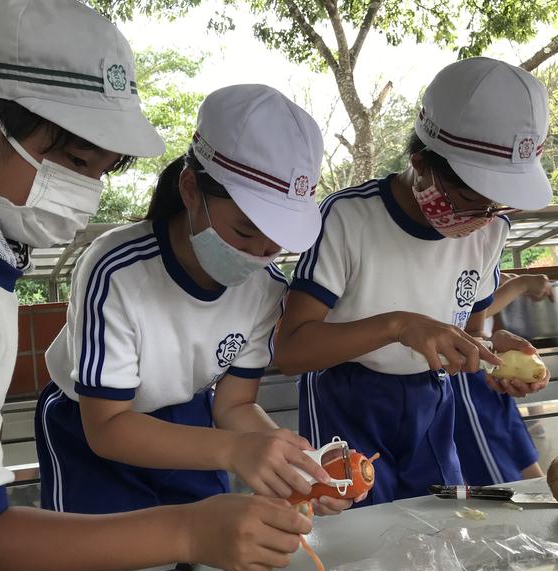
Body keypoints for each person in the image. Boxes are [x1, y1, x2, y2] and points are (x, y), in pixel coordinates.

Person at [0, 1, 312, 571]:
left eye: (101, 172)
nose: (86, 195)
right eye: (75, 163)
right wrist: (189, 528)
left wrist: (275, 457)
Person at [35, 84, 358, 521]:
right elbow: (108, 427)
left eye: (277, 241)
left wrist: (295, 466)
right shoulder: (116, 269)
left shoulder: (264, 288)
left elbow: (234, 405)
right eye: (245, 231)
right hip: (93, 425)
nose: (260, 253)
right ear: (191, 188)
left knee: (203, 555)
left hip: (189, 419)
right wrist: (236, 449)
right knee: (108, 567)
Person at [274, 57, 553, 507]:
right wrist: (398, 325)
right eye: (470, 199)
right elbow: (290, 352)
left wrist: (493, 359)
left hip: (431, 402)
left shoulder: (489, 230)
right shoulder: (348, 218)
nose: (482, 219)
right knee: (360, 540)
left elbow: (471, 334)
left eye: (499, 206)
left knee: (440, 525)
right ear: (420, 163)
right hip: (347, 398)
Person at [451, 272, 554, 485]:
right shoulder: (456, 242)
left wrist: (504, 281)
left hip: (486, 361)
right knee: (500, 476)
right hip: (463, 373)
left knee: (521, 457)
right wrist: (521, 285)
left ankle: (550, 501)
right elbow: (463, 314)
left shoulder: (479, 246)